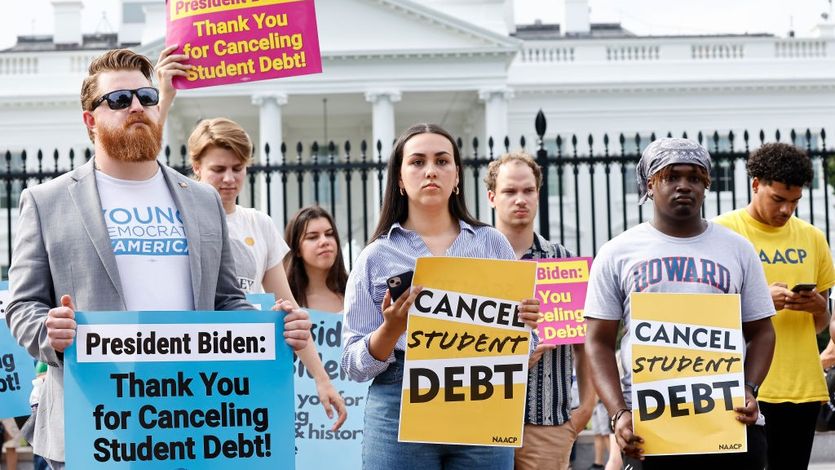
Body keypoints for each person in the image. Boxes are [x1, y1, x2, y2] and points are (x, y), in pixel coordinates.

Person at [4, 49, 311, 470]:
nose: (136, 107)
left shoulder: (201, 199)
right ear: (90, 120)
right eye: (118, 100)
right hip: (92, 427)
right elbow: (22, 306)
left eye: (147, 97)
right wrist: (47, 330)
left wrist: (272, 329)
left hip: (191, 424)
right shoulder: (46, 201)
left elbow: (227, 301)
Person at [341, 123, 542, 470]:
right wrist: (390, 330)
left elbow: (526, 345)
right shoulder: (375, 255)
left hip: (484, 401)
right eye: (417, 162)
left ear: (457, 175)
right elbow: (351, 364)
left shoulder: (491, 243)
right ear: (400, 180)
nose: (431, 170)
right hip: (399, 410)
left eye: (442, 161)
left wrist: (523, 326)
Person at [583, 137, 776, 469]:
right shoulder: (617, 252)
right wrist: (619, 413)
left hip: (729, 426)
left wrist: (749, 387)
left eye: (694, 178)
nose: (684, 186)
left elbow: (762, 332)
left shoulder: (737, 249)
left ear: (706, 185)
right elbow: (598, 342)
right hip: (652, 430)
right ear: (649, 185)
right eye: (671, 177)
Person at [185, 118, 347, 430]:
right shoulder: (182, 221)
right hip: (196, 372)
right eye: (218, 169)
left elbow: (290, 311)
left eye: (238, 168)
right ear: (196, 167)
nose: (229, 178)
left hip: (252, 371)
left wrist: (322, 379)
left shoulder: (259, 224)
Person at [714, 142, 835, 468]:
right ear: (756, 185)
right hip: (744, 387)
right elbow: (703, 318)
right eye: (778, 199)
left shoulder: (812, 237)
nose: (786, 210)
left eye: (794, 202)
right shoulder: (722, 232)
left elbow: (822, 323)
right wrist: (758, 302)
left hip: (802, 388)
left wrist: (816, 308)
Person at [483, 152, 593, 470]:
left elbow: (585, 343)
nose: (520, 199)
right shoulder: (474, 261)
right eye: (509, 191)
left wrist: (584, 410)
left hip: (547, 424)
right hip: (481, 421)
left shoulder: (563, 260)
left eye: (528, 190)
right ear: (492, 197)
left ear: (538, 194)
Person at [284, 206, 349, 313]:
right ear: (297, 249)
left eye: (329, 234)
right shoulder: (285, 301)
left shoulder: (357, 291)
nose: (324, 241)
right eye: (312, 237)